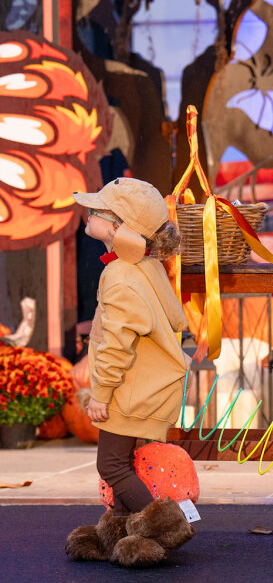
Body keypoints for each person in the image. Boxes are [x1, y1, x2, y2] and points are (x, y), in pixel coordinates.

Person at [65, 178, 195, 567]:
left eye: (98, 210)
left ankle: (166, 528)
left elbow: (116, 344)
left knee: (112, 465)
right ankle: (121, 535)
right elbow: (175, 318)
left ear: (120, 227)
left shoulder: (120, 275)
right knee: (122, 463)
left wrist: (100, 393)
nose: (89, 213)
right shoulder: (146, 266)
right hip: (148, 385)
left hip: (128, 389)